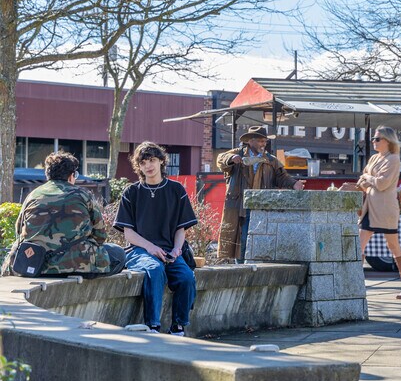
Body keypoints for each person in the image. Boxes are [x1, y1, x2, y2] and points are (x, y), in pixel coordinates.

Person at [113, 142, 197, 336]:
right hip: (138, 250)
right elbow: (128, 233)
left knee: (186, 277)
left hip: (169, 249)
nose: (148, 166)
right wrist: (150, 247)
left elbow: (180, 228)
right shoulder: (131, 192)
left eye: (151, 160)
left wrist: (177, 249)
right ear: (139, 167)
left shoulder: (176, 190)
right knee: (155, 269)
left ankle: (179, 326)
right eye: (143, 162)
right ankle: (153, 326)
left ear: (161, 161)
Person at [2, 151, 125, 278]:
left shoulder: (33, 196)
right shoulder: (83, 194)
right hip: (80, 265)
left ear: (47, 174)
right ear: (71, 176)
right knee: (118, 253)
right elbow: (100, 235)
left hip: (36, 264)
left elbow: (19, 232)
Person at [216, 126, 304, 262]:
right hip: (239, 205)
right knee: (241, 239)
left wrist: (294, 183)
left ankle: (252, 267)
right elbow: (221, 159)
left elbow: (282, 176)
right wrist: (232, 158)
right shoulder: (238, 154)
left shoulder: (270, 160)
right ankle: (241, 268)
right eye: (260, 141)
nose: (263, 144)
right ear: (251, 141)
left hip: (261, 206)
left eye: (265, 141)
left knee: (259, 239)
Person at [352, 126, 401, 299]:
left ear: (388, 141)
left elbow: (382, 183)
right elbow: (361, 181)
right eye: (373, 138)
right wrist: (368, 180)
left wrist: (368, 179)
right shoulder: (374, 158)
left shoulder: (394, 159)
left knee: (393, 246)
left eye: (377, 139)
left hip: (385, 209)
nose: (374, 141)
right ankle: (355, 282)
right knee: (359, 243)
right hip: (369, 207)